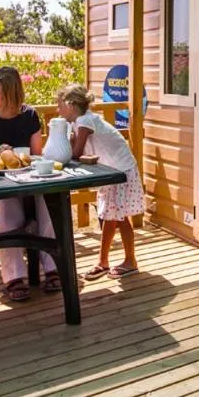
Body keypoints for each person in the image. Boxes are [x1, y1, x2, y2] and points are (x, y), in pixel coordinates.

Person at [0, 66, 58, 301]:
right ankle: (14, 277)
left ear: (12, 93)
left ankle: (52, 267)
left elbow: (36, 157)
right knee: (9, 205)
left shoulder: (29, 116)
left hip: (26, 185)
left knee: (48, 201)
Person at [55, 84, 144, 279]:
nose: (57, 110)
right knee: (109, 217)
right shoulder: (80, 121)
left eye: (59, 105)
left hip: (121, 171)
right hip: (113, 170)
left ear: (70, 105)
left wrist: (63, 144)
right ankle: (103, 261)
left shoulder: (86, 121)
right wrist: (68, 131)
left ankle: (131, 261)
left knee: (120, 218)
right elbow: (75, 150)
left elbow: (76, 153)